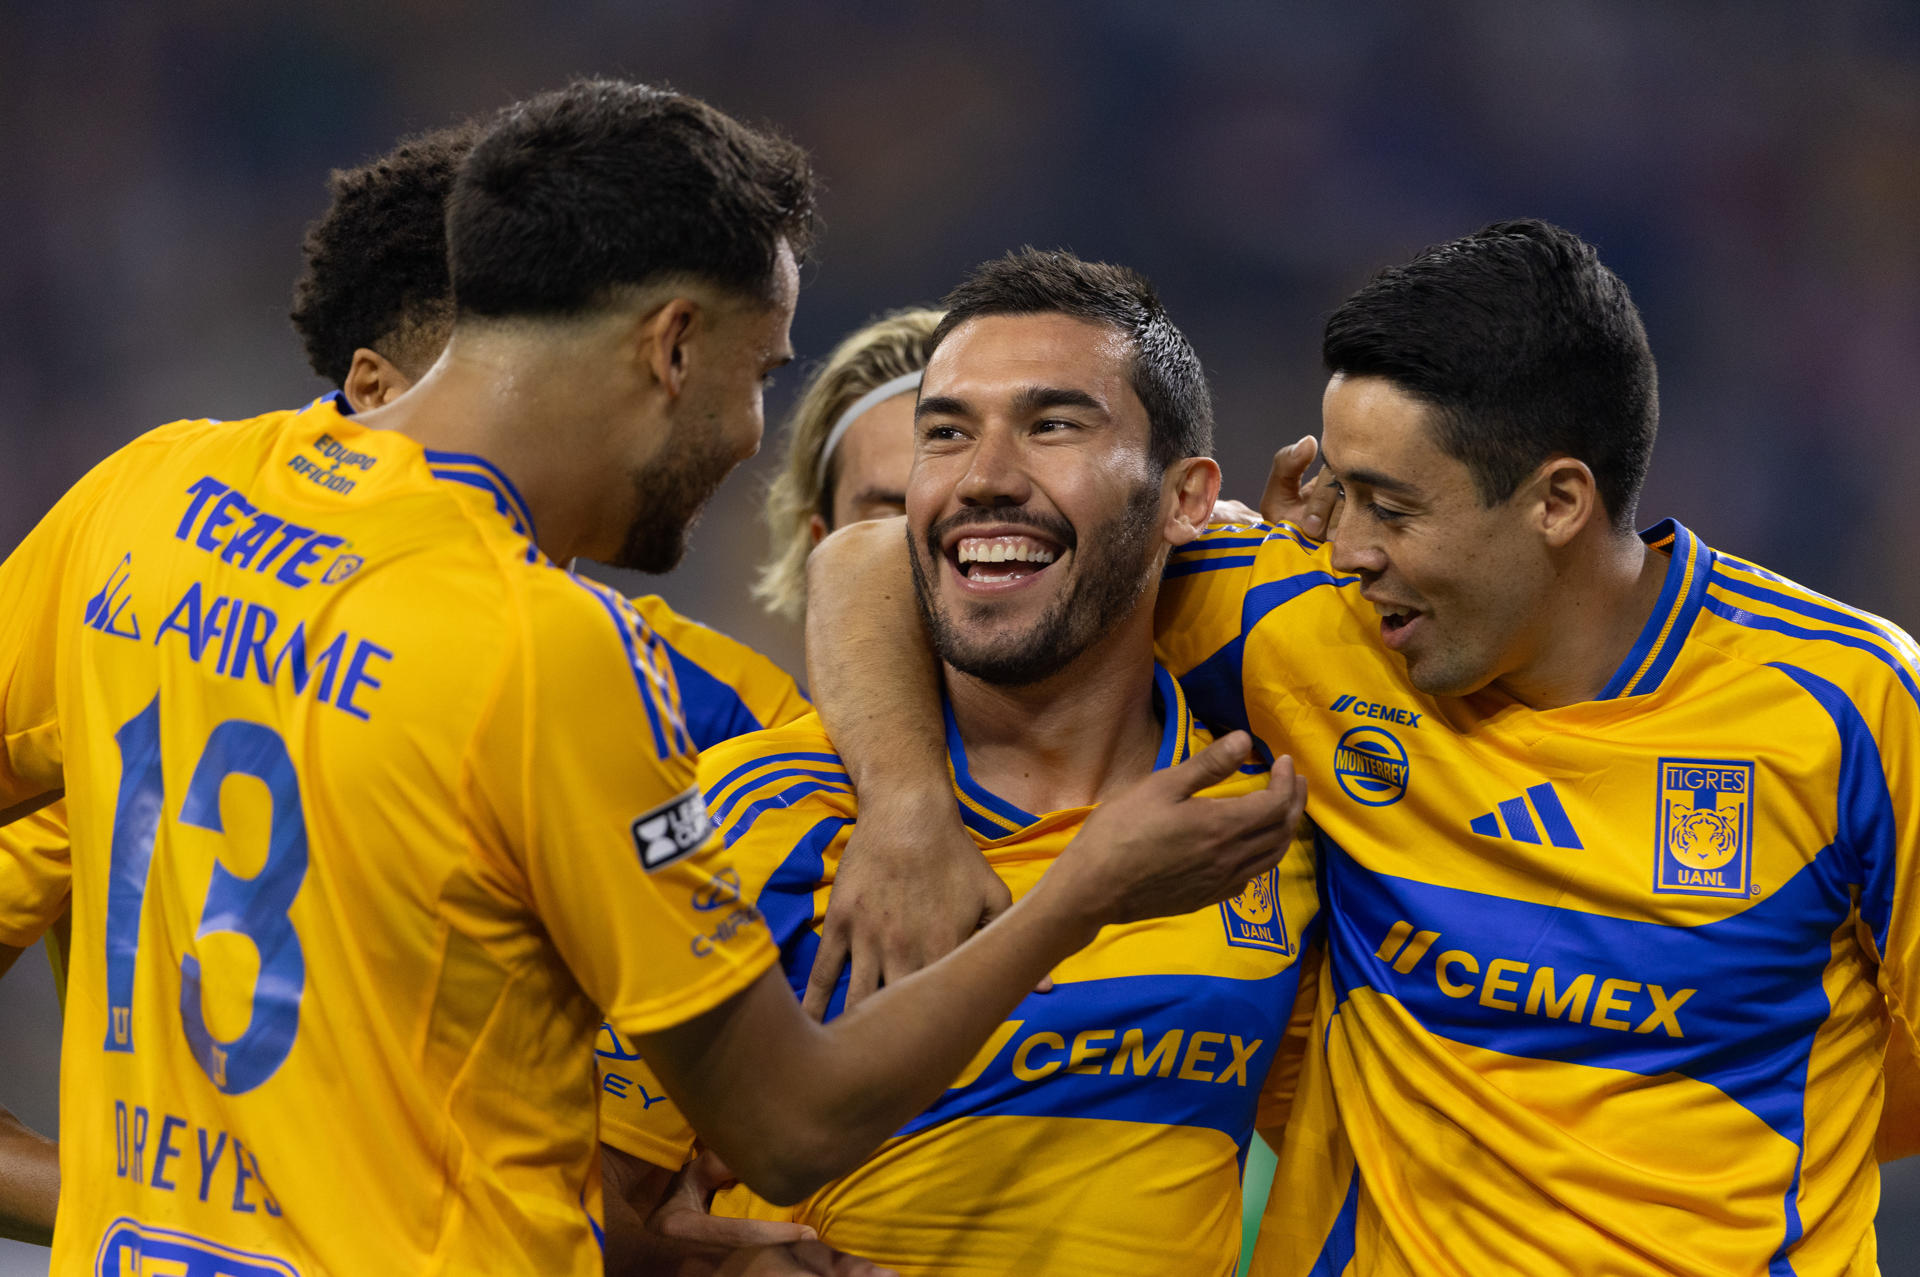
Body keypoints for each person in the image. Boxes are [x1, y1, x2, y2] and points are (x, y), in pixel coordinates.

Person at [0, 80, 1304, 1276]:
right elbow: (788, 1129)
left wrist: (102, 1190)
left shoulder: (149, 493)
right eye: (761, 375)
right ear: (674, 347)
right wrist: (1087, 890)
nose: (750, 435)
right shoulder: (554, 653)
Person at [799, 219, 1920, 1273]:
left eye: (1391, 505)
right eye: (1338, 492)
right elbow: (869, 561)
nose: (1344, 547)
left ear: (1560, 500)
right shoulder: (1309, 627)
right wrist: (905, 809)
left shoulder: (1849, 703)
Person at [612, 248, 1318, 1276]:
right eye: (947, 433)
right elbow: (576, 1205)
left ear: (1185, 498)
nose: (985, 477)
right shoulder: (758, 813)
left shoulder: (1263, 822)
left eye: (1054, 424)